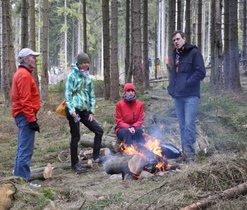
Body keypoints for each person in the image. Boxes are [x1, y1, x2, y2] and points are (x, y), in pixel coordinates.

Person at [167, 30, 206, 164]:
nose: (176, 42)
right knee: (182, 125)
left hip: (191, 96)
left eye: (178, 39)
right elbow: (175, 74)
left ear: (184, 38)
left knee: (189, 125)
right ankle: (185, 153)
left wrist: (187, 83)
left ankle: (190, 156)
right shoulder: (176, 55)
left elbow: (201, 72)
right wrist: (171, 88)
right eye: (174, 41)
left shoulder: (194, 52)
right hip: (178, 96)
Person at [65, 52, 103, 173]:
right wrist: (71, 111)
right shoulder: (72, 76)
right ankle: (75, 164)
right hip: (74, 111)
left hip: (85, 111)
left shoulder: (89, 78)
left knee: (99, 131)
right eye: (84, 63)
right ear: (79, 64)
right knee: (76, 137)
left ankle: (96, 157)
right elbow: (68, 95)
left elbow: (92, 95)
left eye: (87, 63)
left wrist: (92, 111)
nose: (86, 65)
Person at [11, 48, 41, 187]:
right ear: (25, 60)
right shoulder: (23, 75)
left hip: (23, 115)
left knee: (22, 149)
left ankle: (19, 182)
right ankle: (24, 183)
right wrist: (32, 119)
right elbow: (25, 100)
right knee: (25, 151)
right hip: (25, 116)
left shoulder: (23, 74)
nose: (35, 59)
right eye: (32, 57)